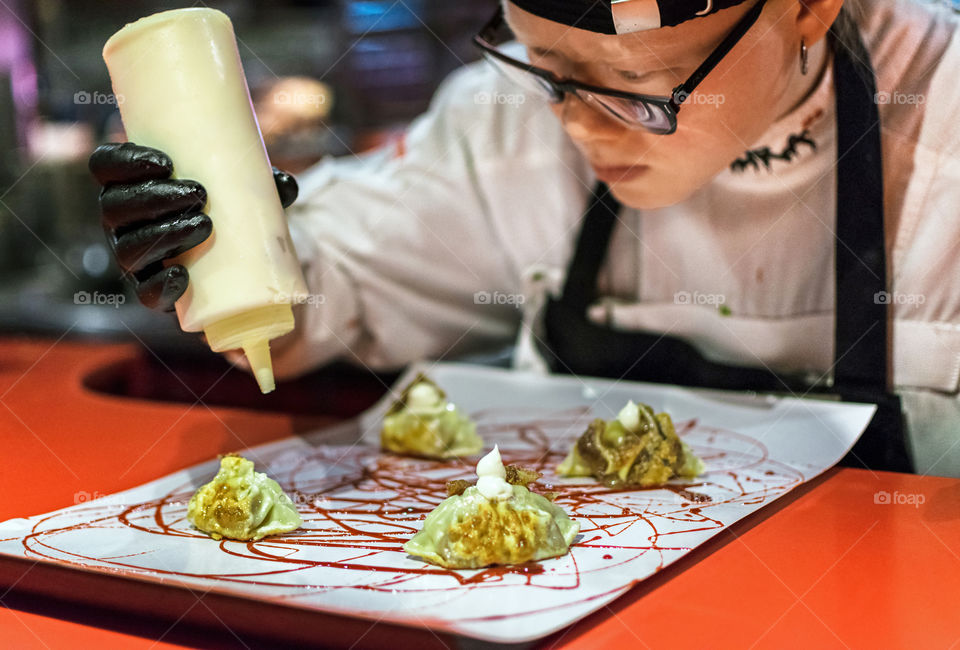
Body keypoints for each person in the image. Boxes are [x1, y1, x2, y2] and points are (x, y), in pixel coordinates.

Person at [89, 0, 960, 477]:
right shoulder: (503, 124)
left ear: (809, 9)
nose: (580, 129)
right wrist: (224, 245)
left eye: (634, 90)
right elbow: (337, 274)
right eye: (545, 69)